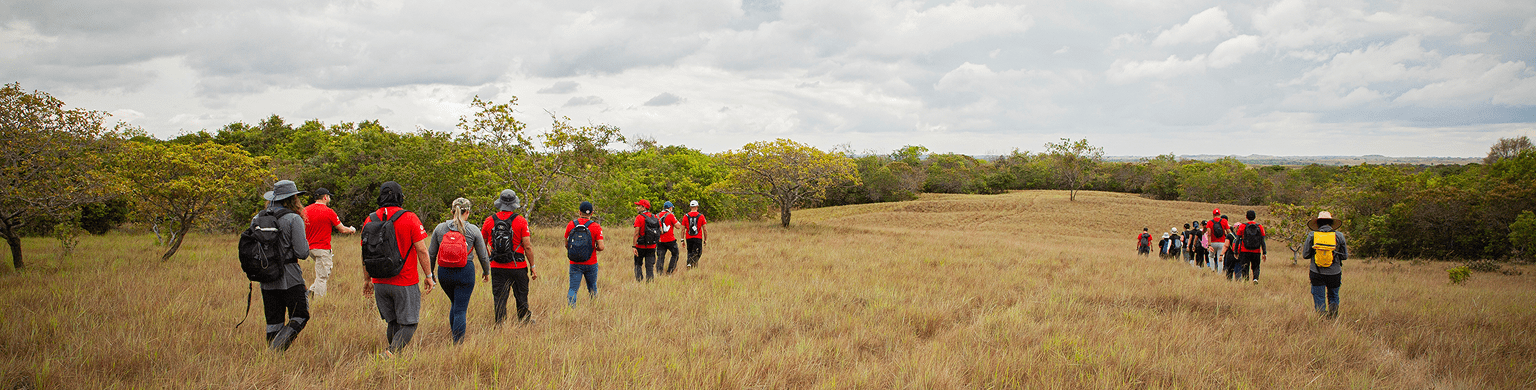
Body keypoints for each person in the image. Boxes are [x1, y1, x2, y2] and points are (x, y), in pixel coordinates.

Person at [361, 181, 436, 357]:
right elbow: (422, 250)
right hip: (405, 280)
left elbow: (364, 253)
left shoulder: (370, 219)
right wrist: (429, 275)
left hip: (379, 281)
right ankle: (390, 353)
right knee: (409, 324)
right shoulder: (409, 218)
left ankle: (393, 357)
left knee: (392, 322)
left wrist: (367, 280)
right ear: (400, 197)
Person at [254, 180, 310, 351]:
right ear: (293, 198)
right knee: (300, 315)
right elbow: (303, 252)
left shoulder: (257, 218)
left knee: (273, 322)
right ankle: (274, 351)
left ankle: (272, 359)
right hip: (290, 277)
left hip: (266, 276)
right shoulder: (293, 219)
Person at [430, 198, 490, 343]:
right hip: (465, 272)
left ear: (452, 211)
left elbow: (431, 253)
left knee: (455, 304)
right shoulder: (473, 229)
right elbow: (483, 255)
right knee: (460, 309)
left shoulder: (439, 228)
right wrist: (486, 271)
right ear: (467, 212)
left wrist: (430, 274)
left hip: (444, 272)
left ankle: (454, 337)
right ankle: (458, 343)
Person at [480, 190, 538, 324]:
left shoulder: (489, 220)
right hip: (518, 266)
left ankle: (500, 323)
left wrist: (491, 256)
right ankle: (524, 321)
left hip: (497, 266)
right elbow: (527, 246)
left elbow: (482, 245)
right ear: (514, 204)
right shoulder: (521, 221)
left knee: (499, 298)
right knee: (521, 295)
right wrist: (532, 266)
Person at [303, 188, 356, 299]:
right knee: (323, 276)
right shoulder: (329, 212)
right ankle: (319, 301)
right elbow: (342, 229)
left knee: (321, 273)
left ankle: (310, 292)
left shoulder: (305, 210)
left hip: (309, 248)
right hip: (322, 248)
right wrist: (351, 229)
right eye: (329, 196)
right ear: (325, 197)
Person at [1301, 211, 1349, 319]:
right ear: (1331, 223)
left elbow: (1305, 255)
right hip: (1335, 272)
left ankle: (1321, 319)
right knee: (1333, 295)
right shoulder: (1339, 236)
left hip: (1316, 271)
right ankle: (1333, 318)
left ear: (1318, 223)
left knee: (1319, 296)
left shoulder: (1312, 235)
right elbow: (1344, 256)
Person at [565, 201, 605, 306]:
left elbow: (566, 243)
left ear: (579, 212)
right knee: (592, 288)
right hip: (591, 262)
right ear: (591, 213)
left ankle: (570, 309)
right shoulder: (596, 226)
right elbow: (601, 247)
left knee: (573, 288)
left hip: (575, 263)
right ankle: (594, 308)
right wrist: (593, 248)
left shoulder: (571, 224)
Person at [1232, 210, 1267, 284]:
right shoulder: (1260, 227)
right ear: (1255, 217)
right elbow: (1262, 241)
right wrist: (1264, 252)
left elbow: (1238, 239)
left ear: (1246, 217)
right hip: (1256, 251)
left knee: (1245, 267)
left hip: (1244, 250)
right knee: (1256, 266)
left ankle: (1246, 281)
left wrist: (1236, 251)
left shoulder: (1243, 226)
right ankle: (1255, 279)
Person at [631, 200, 659, 282]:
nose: (637, 207)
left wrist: (634, 246)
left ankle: (639, 281)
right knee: (649, 266)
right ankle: (649, 284)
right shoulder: (655, 217)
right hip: (652, 246)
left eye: (639, 206)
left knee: (638, 264)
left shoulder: (639, 217)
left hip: (640, 246)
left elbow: (636, 233)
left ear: (643, 207)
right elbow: (660, 230)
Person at [655, 201, 682, 275]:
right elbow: (678, 226)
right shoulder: (670, 215)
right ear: (670, 208)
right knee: (675, 254)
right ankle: (669, 271)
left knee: (660, 257)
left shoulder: (657, 215)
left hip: (660, 240)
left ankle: (659, 273)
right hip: (670, 239)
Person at [682, 200, 708, 268]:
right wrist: (705, 239)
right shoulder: (701, 216)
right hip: (698, 237)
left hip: (688, 237)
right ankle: (691, 263)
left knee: (690, 252)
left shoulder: (685, 216)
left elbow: (682, 229)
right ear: (697, 207)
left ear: (690, 207)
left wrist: (682, 239)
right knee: (698, 252)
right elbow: (704, 229)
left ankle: (690, 265)